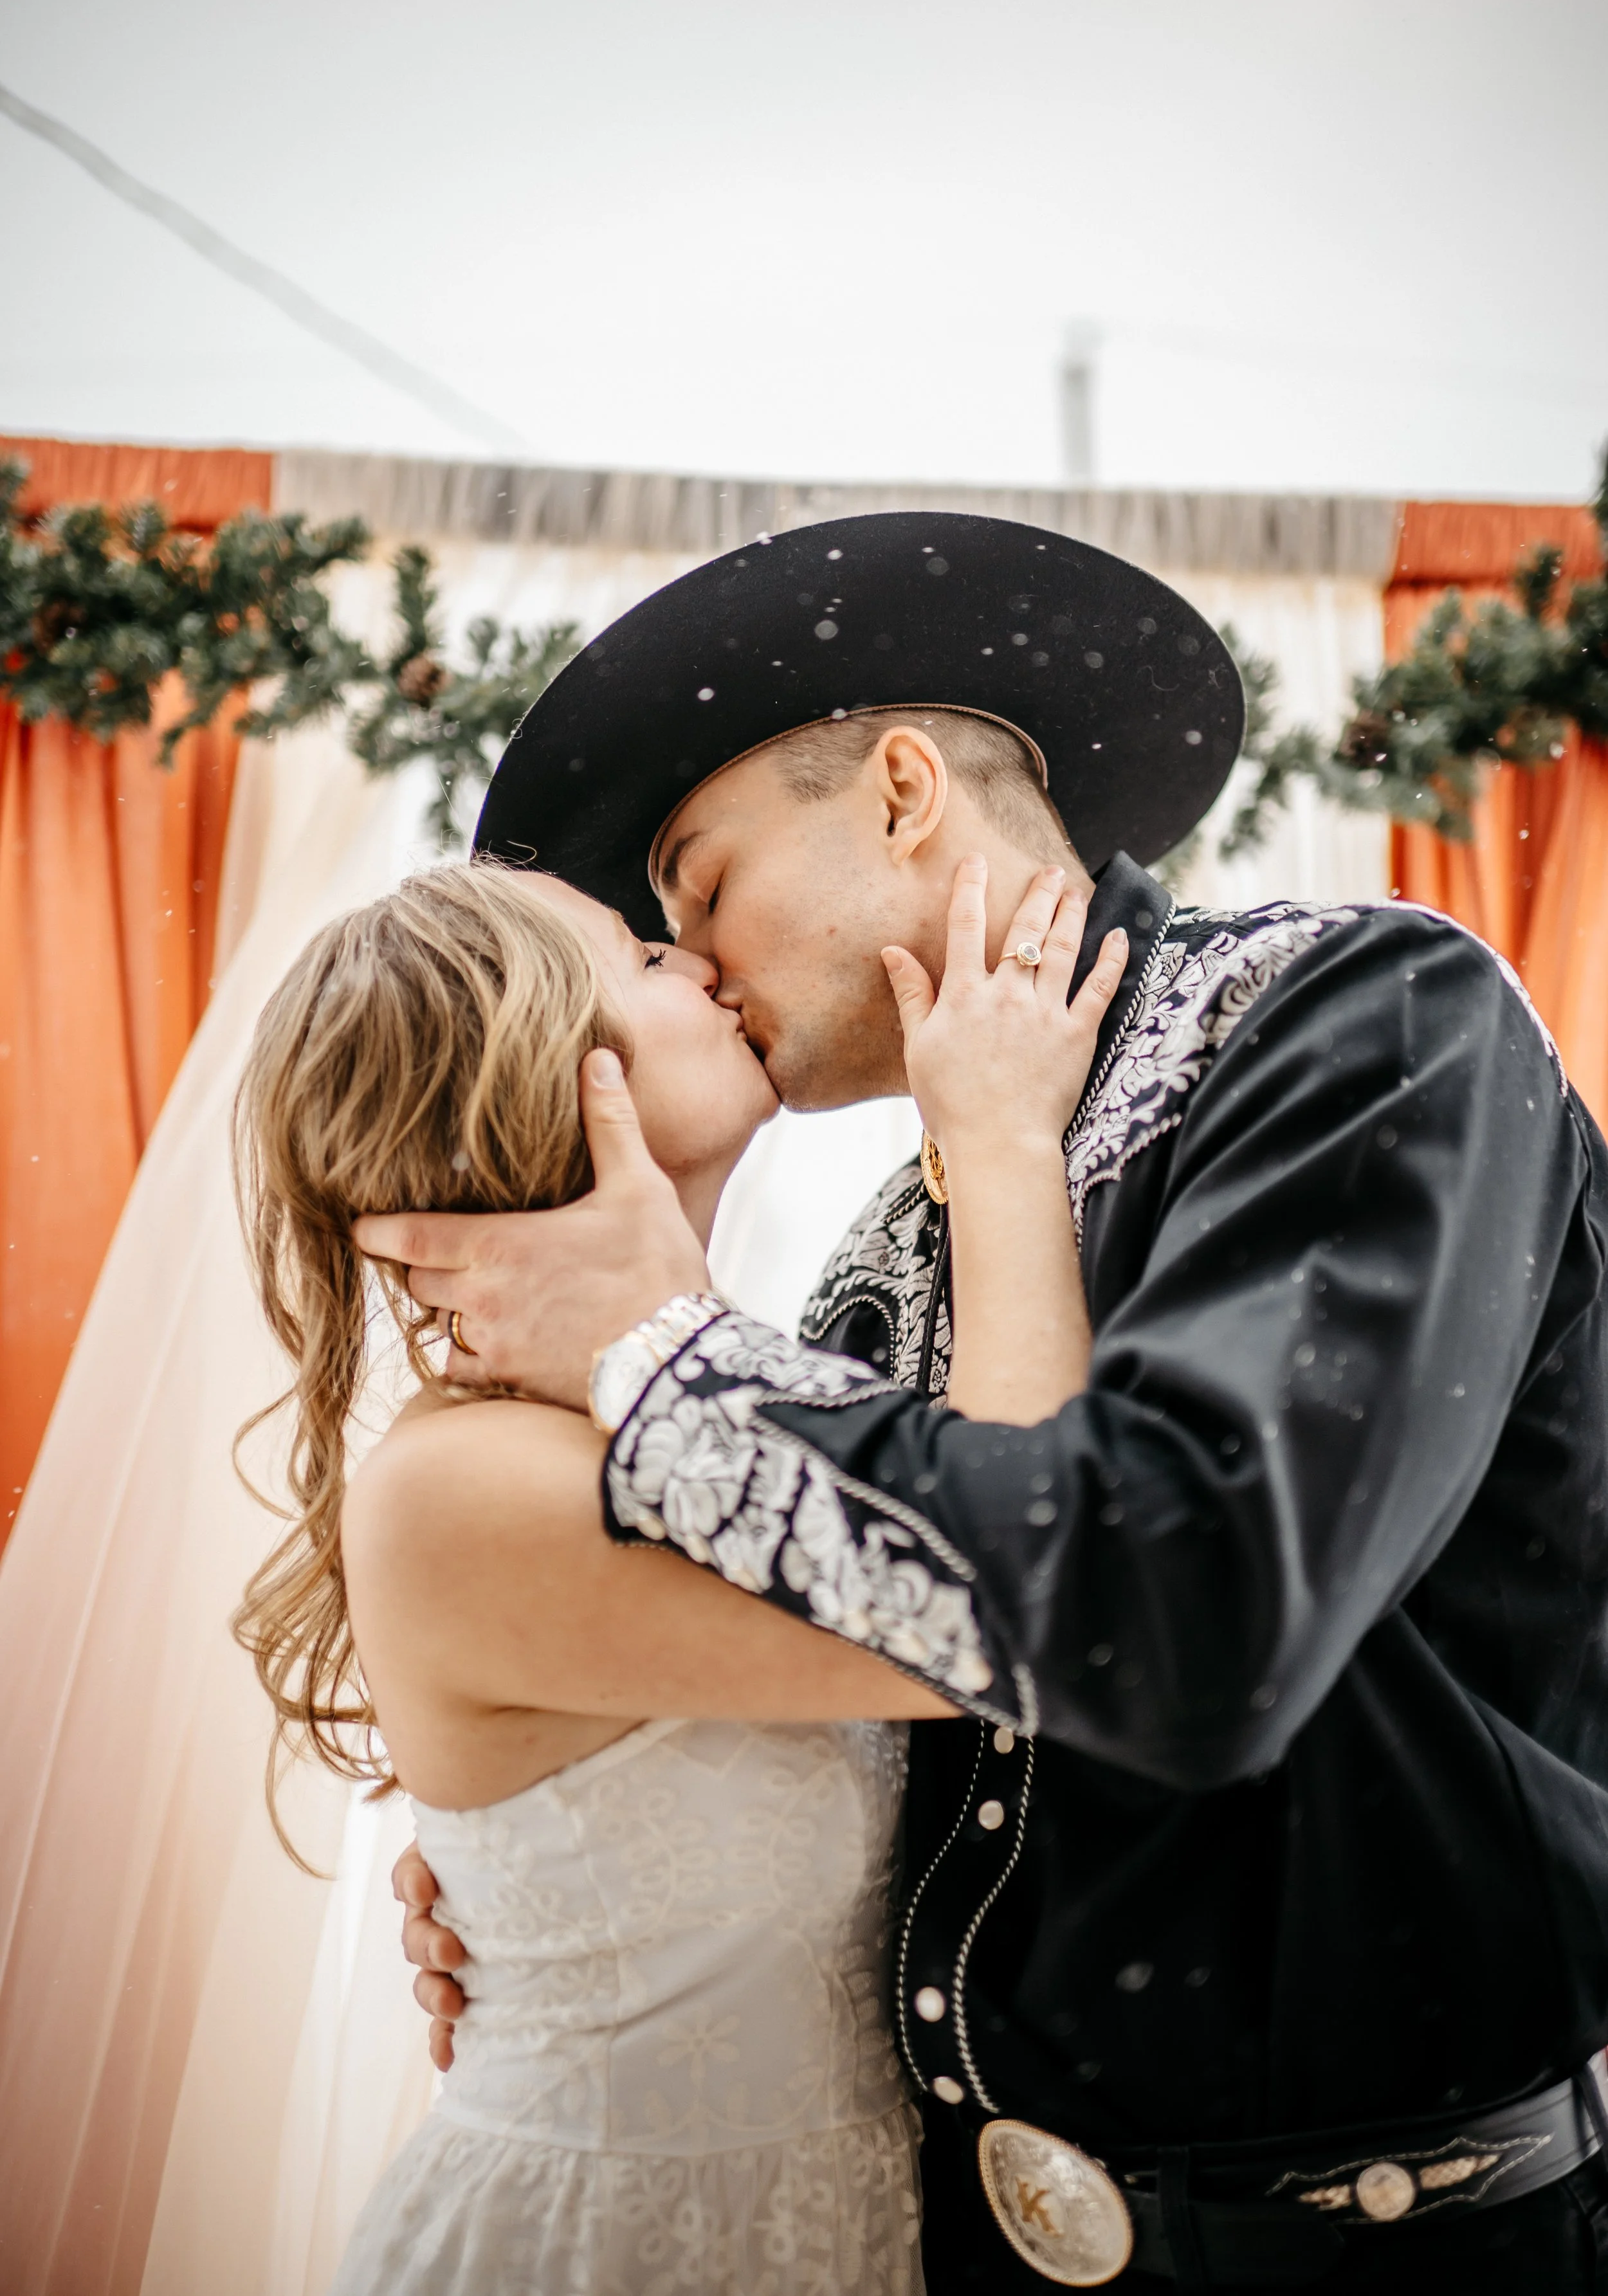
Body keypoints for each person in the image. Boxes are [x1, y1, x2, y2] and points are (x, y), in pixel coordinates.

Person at [365, 510, 1608, 2292]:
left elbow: (1189, 1615)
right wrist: (578, 1898)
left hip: (1379, 2246)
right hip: (948, 2239)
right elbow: (908, 1698)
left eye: (700, 885)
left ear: (894, 786)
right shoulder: (880, 1253)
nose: (693, 962)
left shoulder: (1356, 1016)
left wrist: (660, 1351)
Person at [232, 852, 1126, 2296]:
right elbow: (1017, 1595)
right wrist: (1003, 1136)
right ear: (549, 1080)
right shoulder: (467, 1489)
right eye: (645, 962)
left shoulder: (719, 1389)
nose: (699, 962)